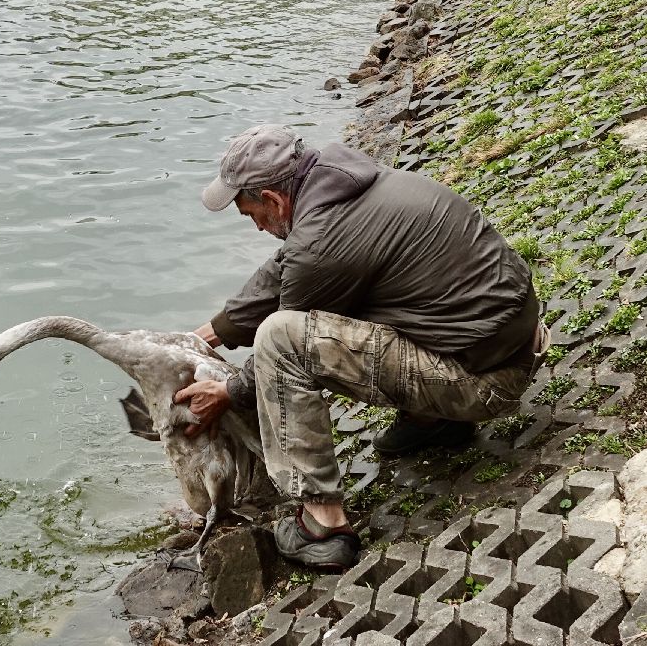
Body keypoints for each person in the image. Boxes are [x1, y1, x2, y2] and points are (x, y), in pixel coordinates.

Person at [174, 124, 547, 570]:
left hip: (484, 382)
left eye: (250, 214)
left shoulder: (322, 244)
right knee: (369, 302)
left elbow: (289, 327)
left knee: (279, 338)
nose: (255, 226)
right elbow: (283, 268)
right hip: (512, 348)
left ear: (273, 200)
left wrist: (228, 390)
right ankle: (433, 421)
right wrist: (205, 335)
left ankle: (323, 524)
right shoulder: (344, 186)